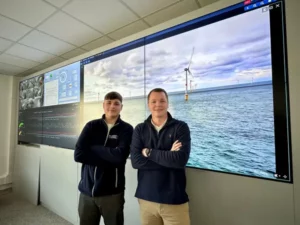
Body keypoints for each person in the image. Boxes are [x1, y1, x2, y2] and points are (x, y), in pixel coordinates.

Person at [130, 88, 191, 225]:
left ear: (168, 104)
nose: (158, 104)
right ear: (148, 105)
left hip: (174, 200)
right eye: (154, 101)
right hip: (146, 199)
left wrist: (149, 153)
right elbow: (136, 162)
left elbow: (180, 160)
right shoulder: (140, 129)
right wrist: (168, 156)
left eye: (162, 101)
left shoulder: (180, 127)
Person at [74, 91, 133, 225]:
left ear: (121, 107)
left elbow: (119, 157)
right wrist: (109, 157)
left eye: (116, 103)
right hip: (87, 192)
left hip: (112, 194)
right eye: (109, 102)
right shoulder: (91, 126)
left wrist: (94, 148)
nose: (112, 106)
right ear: (103, 105)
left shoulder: (127, 129)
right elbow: (78, 155)